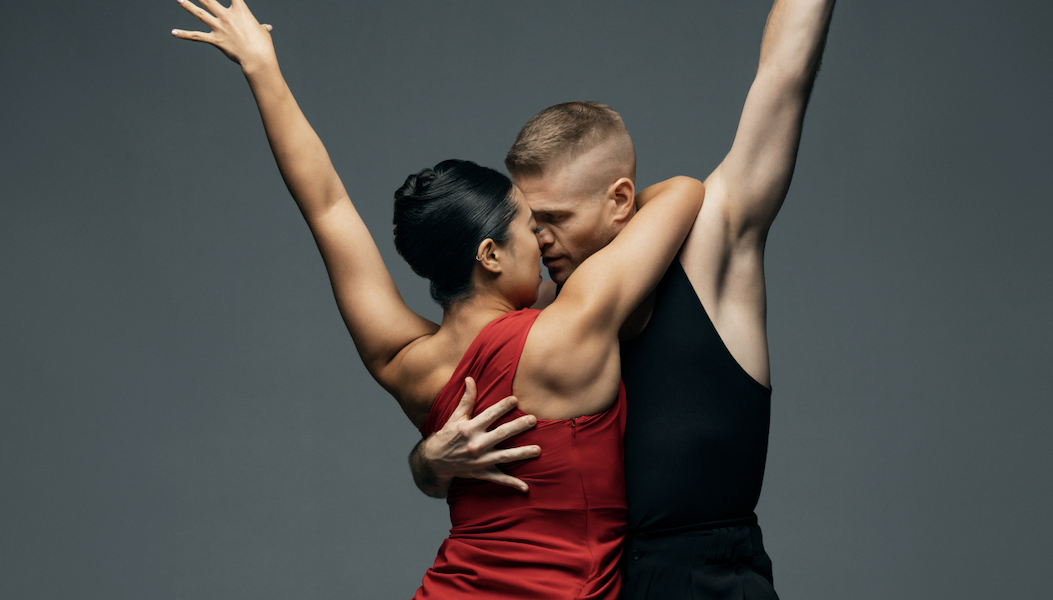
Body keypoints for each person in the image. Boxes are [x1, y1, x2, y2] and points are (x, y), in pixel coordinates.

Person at [170, 1, 704, 598]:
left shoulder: (404, 362)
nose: (546, 238)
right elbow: (683, 194)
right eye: (532, 225)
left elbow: (327, 208)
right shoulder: (572, 326)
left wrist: (262, 69)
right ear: (490, 254)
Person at [409, 1, 836, 598]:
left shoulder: (709, 247)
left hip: (707, 580)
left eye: (554, 219)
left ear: (619, 200)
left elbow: (783, 77)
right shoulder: (539, 322)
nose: (536, 240)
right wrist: (427, 463)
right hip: (593, 584)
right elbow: (454, 427)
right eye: (529, 223)